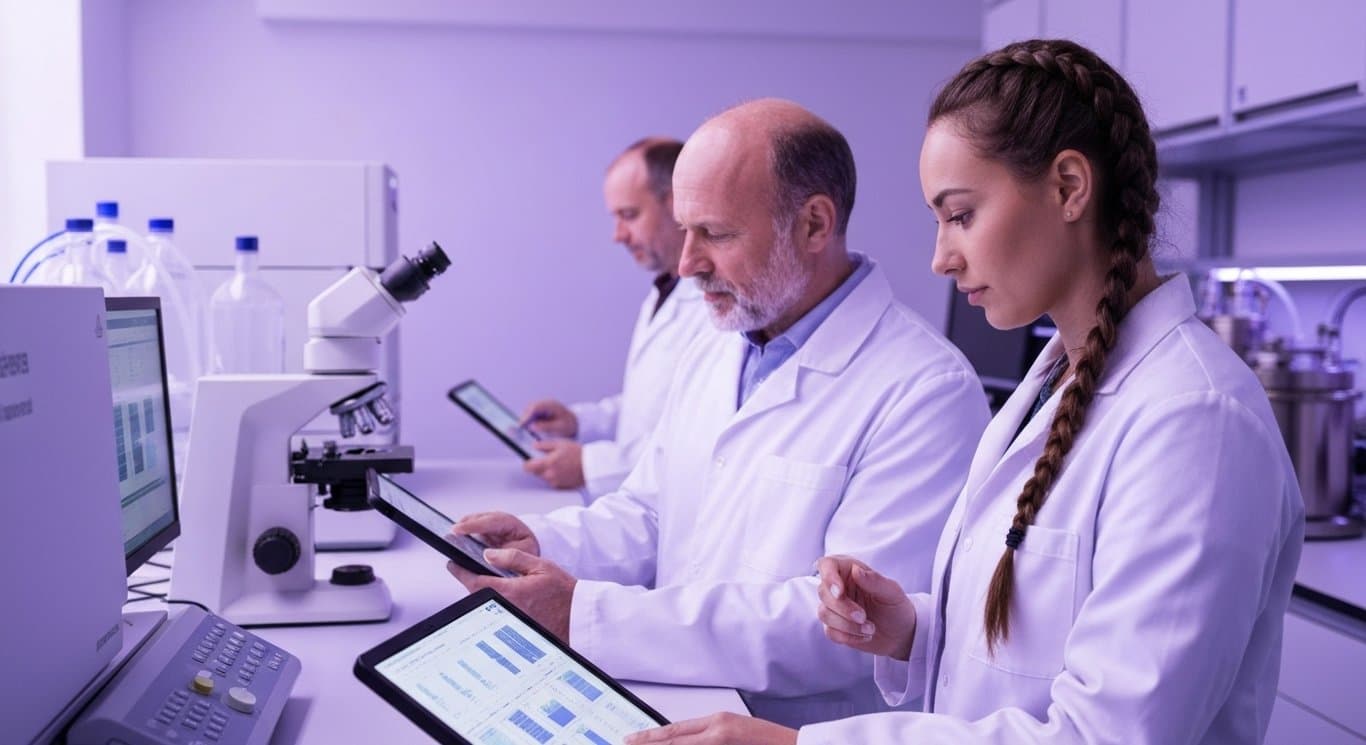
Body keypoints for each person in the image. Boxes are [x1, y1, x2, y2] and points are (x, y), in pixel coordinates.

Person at [625, 39, 1304, 745]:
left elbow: (1107, 735)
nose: (941, 258)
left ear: (1070, 187)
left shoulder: (1195, 421)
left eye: (961, 215)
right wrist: (915, 631)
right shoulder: (1051, 386)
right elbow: (1029, 653)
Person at [448, 99, 989, 727]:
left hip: (788, 730)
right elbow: (653, 511)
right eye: (685, 230)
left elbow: (850, 625)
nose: (687, 264)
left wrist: (587, 615)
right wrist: (544, 541)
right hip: (675, 699)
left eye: (717, 234)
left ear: (814, 225)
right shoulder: (718, 345)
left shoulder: (925, 390)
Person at [520, 138, 712, 496]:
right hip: (635, 509)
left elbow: (705, 440)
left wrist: (591, 465)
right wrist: (579, 422)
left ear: (677, 206)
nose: (618, 235)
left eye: (629, 215)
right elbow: (650, 408)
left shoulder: (716, 308)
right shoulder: (665, 291)